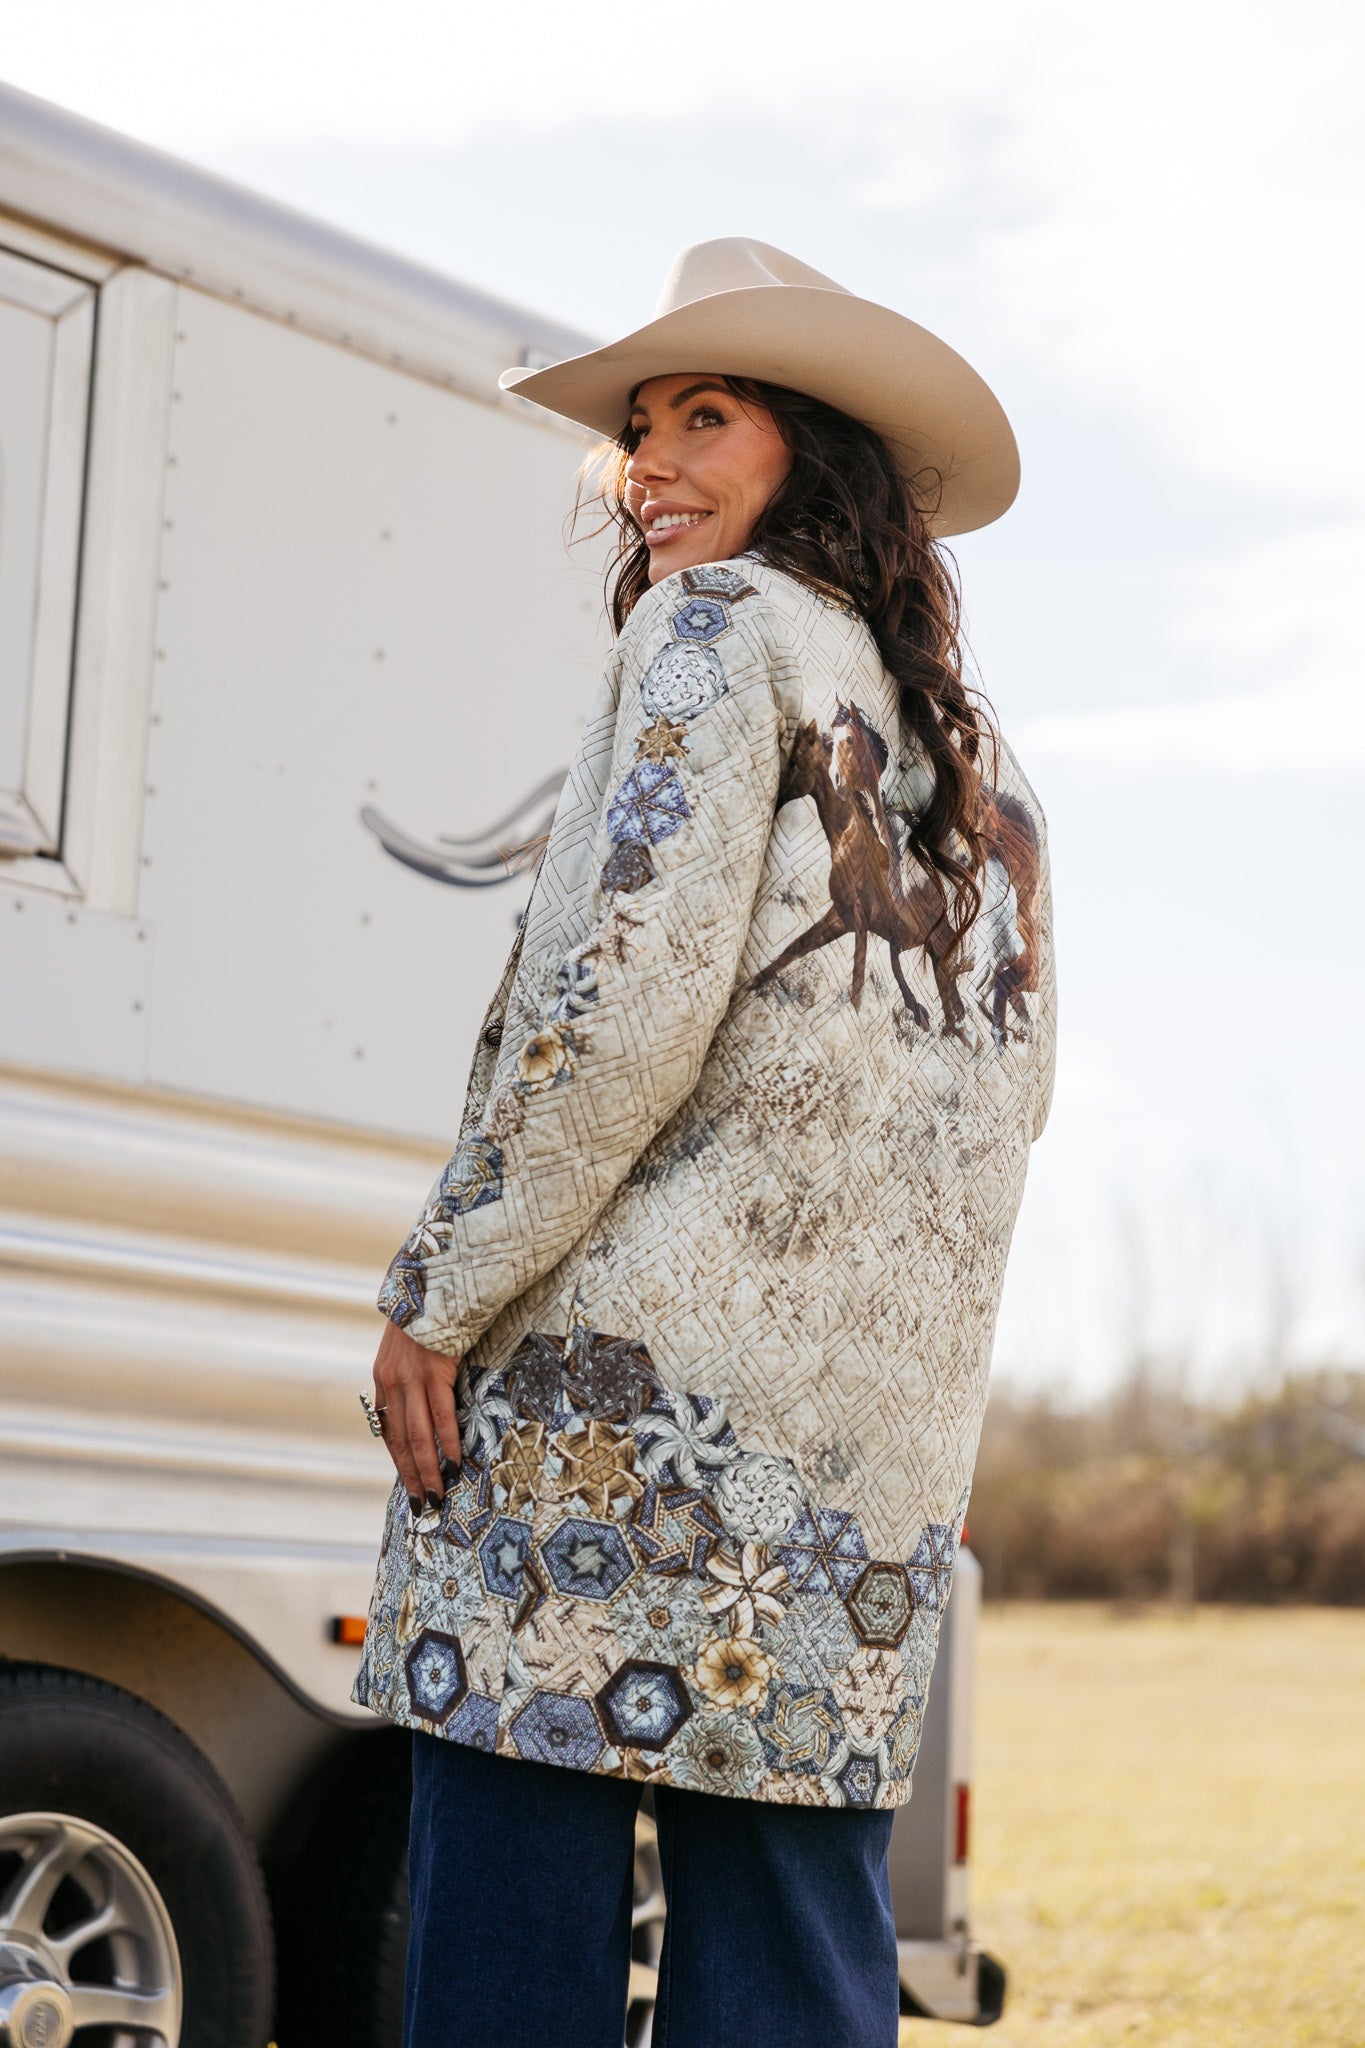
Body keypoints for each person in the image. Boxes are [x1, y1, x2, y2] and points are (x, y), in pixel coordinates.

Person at [354, 237, 1056, 2048]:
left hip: (612, 1426)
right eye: (638, 429)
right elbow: (1002, 1126)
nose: (645, 465)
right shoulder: (994, 783)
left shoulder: (712, 634)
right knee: (800, 1970)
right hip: (849, 1475)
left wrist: (438, 1295)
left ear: (806, 453)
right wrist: (920, 1430)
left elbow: (609, 1008)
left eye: (705, 418)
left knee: (512, 1937)